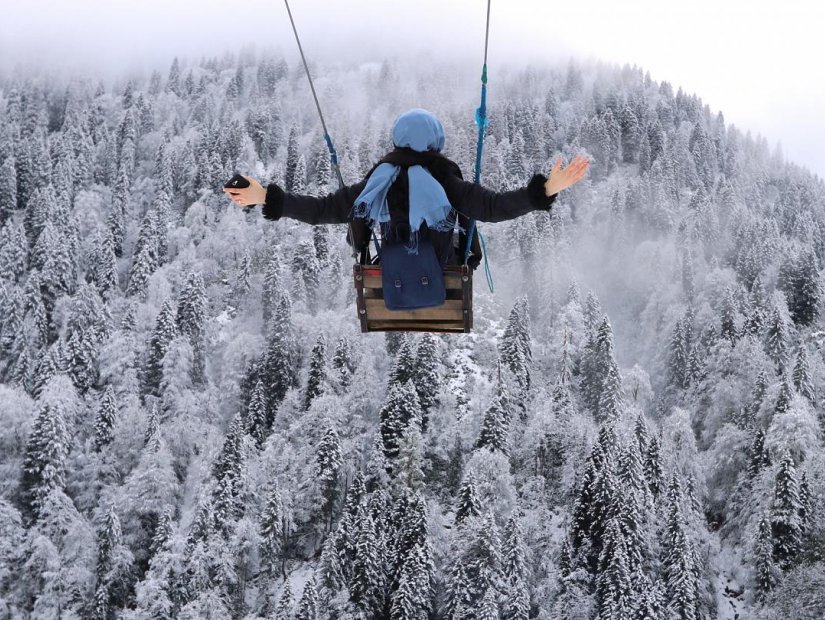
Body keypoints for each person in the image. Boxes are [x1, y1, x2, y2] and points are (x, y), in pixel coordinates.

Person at [224, 108, 588, 267]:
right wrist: (545, 190)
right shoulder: (445, 179)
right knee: (464, 229)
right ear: (435, 143)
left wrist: (265, 197)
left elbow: (323, 210)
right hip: (444, 267)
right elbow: (493, 208)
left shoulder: (379, 181)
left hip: (390, 270)